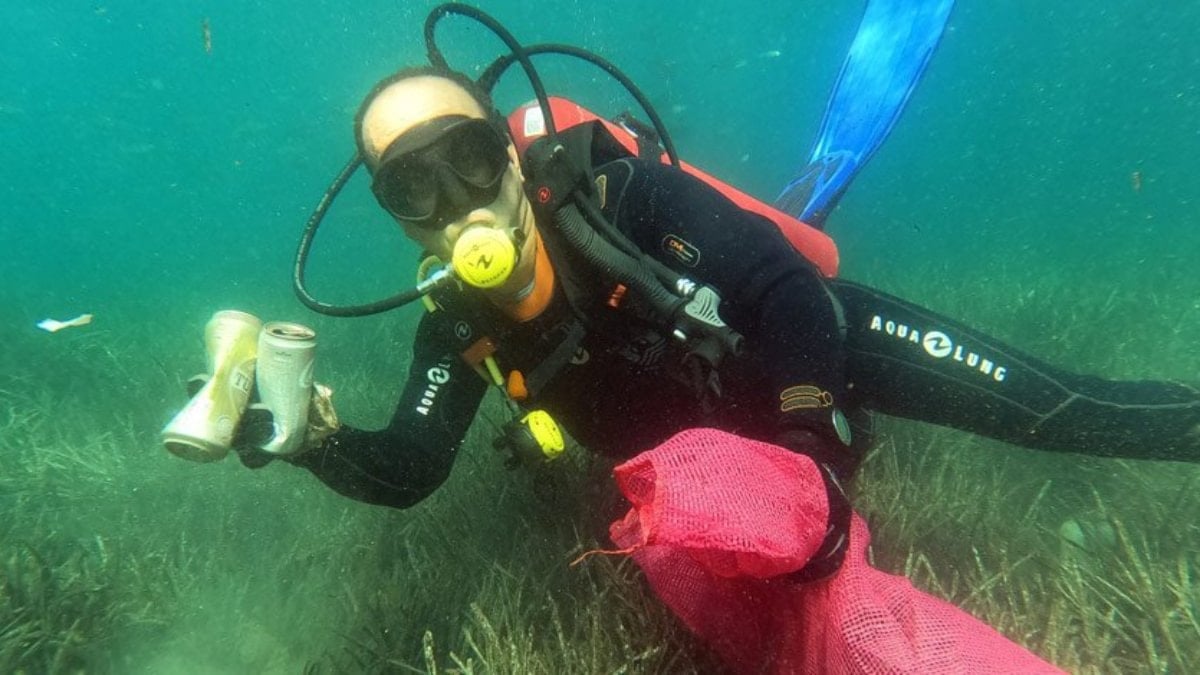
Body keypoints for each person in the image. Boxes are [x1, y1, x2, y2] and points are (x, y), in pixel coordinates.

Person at [264, 66, 1200, 578]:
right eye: (412, 184)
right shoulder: (457, 327)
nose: (455, 201)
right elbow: (405, 469)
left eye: (468, 156)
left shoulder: (624, 199)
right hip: (713, 429)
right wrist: (308, 436)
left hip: (813, 343)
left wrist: (807, 440)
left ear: (510, 155)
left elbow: (789, 293)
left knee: (1068, 409)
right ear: (397, 215)